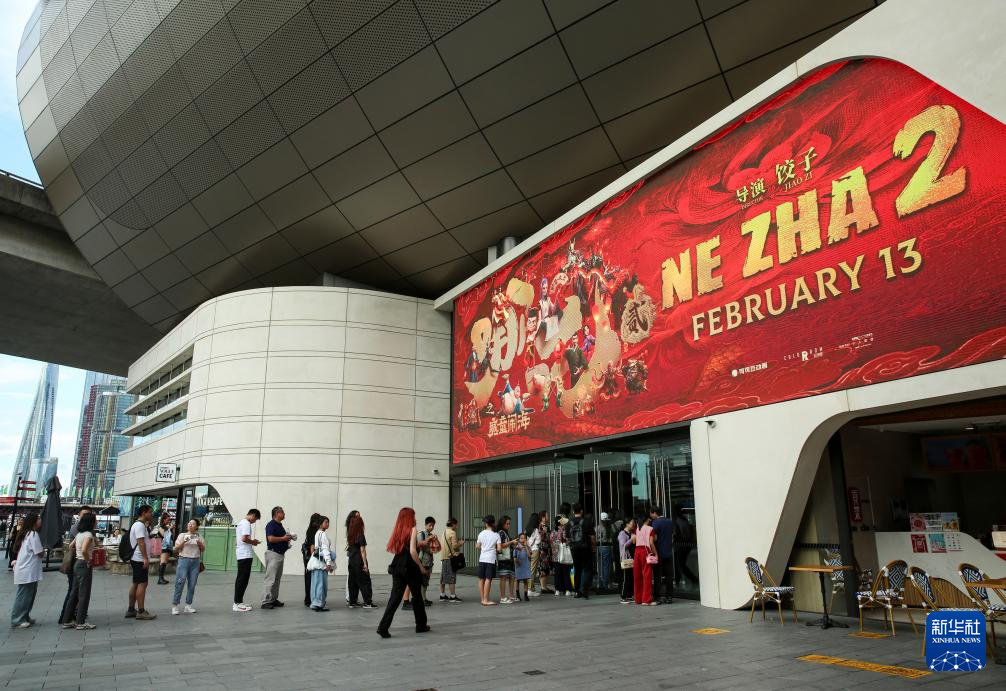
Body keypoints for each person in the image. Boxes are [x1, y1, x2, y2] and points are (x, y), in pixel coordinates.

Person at [377, 507, 430, 638]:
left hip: (397, 565)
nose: (415, 518)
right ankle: (421, 625)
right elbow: (412, 551)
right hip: (410, 567)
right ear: (410, 517)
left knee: (394, 598)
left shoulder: (398, 530)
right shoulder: (413, 529)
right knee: (417, 596)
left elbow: (401, 548)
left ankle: (383, 627)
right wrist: (420, 566)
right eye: (414, 515)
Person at [60, 512, 98, 629]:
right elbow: (85, 549)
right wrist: (88, 560)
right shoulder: (88, 535)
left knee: (74, 593)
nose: (96, 522)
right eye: (95, 520)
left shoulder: (79, 534)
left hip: (77, 564)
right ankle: (80, 622)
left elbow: (71, 546)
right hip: (84, 565)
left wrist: (79, 554)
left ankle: (67, 620)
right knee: (84, 594)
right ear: (91, 522)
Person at [10, 512, 42, 628]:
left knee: (28, 595)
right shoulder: (33, 534)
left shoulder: (27, 533)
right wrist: (43, 551)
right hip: (28, 570)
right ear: (34, 521)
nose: (40, 521)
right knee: (24, 595)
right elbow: (39, 552)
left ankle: (24, 616)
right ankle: (17, 619)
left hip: (27, 569)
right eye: (39, 519)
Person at [126, 505, 157, 620]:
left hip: (137, 558)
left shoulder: (140, 525)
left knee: (136, 583)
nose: (151, 514)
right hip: (139, 558)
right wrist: (145, 558)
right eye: (150, 512)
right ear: (144, 513)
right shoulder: (139, 525)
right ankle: (141, 611)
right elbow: (141, 542)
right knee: (142, 584)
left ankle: (131, 609)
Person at [262, 506, 295, 609]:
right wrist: (283, 538)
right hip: (273, 554)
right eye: (282, 512)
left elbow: (281, 538)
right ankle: (265, 601)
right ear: (277, 514)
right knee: (270, 579)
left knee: (277, 579)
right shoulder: (271, 524)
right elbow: (270, 539)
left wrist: (288, 538)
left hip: (279, 554)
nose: (284, 514)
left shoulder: (280, 525)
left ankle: (273, 599)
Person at [171, 519, 205, 615]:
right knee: (180, 582)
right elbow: (176, 549)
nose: (190, 525)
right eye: (189, 523)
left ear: (196, 526)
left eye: (192, 524)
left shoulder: (199, 536)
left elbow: (203, 549)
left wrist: (200, 544)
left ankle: (188, 605)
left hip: (195, 561)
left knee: (192, 584)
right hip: (183, 560)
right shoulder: (182, 535)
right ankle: (175, 605)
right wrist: (184, 541)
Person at [404, 516, 438, 610]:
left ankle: (424, 598)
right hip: (421, 561)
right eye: (430, 525)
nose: (431, 527)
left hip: (429, 561)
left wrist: (435, 541)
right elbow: (418, 545)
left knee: (425, 582)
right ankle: (414, 600)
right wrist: (428, 540)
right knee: (418, 581)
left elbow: (436, 549)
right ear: (425, 525)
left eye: (433, 526)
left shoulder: (431, 535)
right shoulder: (421, 534)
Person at [233, 508, 261, 612]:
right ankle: (237, 603)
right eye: (255, 519)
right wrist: (253, 542)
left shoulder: (241, 522)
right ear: (252, 515)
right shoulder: (246, 524)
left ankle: (239, 601)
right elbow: (244, 539)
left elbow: (237, 540)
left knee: (241, 578)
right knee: (242, 579)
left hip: (242, 554)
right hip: (245, 555)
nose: (254, 521)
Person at [346, 513, 375, 608]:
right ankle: (368, 602)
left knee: (353, 581)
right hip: (359, 560)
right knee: (365, 581)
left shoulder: (350, 534)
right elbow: (362, 550)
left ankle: (352, 602)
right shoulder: (360, 535)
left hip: (351, 560)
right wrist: (365, 564)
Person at [568, 503, 596, 599]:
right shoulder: (587, 522)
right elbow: (592, 537)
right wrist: (593, 547)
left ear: (573, 511)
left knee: (577, 569)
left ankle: (577, 591)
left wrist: (572, 547)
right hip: (585, 548)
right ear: (581, 511)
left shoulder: (569, 523)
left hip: (574, 550)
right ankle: (585, 590)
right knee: (587, 569)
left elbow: (567, 538)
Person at [649, 506, 674, 604]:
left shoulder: (655, 523)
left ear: (654, 513)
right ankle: (669, 596)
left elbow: (653, 538)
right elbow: (672, 535)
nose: (651, 516)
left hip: (658, 552)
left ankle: (657, 597)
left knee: (657, 576)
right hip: (668, 552)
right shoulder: (670, 521)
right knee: (669, 576)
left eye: (651, 513)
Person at [309, 516, 335, 611]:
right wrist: (328, 562)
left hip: (316, 561)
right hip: (321, 562)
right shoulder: (323, 534)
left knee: (315, 583)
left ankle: (315, 603)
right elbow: (325, 549)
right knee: (321, 583)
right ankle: (319, 604)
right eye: (325, 522)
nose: (327, 524)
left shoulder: (317, 533)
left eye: (328, 522)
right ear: (320, 524)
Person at [476, 515, 501, 606]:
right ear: (493, 523)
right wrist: (493, 549)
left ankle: (483, 599)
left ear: (486, 524)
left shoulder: (481, 533)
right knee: (488, 579)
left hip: (482, 559)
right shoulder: (496, 535)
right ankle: (486, 600)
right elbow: (499, 549)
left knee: (481, 579)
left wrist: (484, 548)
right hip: (491, 559)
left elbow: (477, 546)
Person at [439, 517, 464, 602]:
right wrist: (460, 543)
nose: (457, 526)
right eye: (456, 524)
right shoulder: (452, 533)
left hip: (443, 557)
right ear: (453, 524)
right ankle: (453, 596)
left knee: (443, 577)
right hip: (450, 558)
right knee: (451, 577)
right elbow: (454, 546)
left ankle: (442, 595)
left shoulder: (444, 532)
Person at [551, 503, 573, 596]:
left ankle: (558, 590)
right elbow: (567, 540)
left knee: (557, 573)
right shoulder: (564, 529)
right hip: (563, 554)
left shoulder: (553, 532)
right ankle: (567, 589)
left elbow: (551, 542)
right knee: (566, 572)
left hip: (555, 555)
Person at [673, 506, 699, 585]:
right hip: (687, 545)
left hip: (681, 545)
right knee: (680, 563)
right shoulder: (684, 520)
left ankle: (691, 579)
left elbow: (678, 534)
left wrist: (674, 539)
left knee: (679, 563)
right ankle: (681, 579)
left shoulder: (677, 521)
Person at [529, 511, 553, 595]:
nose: (548, 517)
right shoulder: (542, 526)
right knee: (543, 567)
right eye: (546, 515)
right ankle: (543, 587)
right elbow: (543, 537)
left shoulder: (541, 526)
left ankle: (544, 586)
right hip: (543, 549)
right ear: (543, 517)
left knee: (545, 567)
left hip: (545, 549)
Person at [633, 516, 656, 606]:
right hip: (645, 551)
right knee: (647, 575)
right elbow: (651, 542)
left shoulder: (637, 528)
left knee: (637, 575)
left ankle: (638, 599)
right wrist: (655, 553)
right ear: (647, 520)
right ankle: (646, 600)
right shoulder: (650, 529)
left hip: (637, 551)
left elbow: (634, 541)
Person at [496, 515, 518, 604]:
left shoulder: (505, 532)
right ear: (503, 524)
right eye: (507, 524)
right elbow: (501, 545)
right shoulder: (501, 533)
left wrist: (514, 544)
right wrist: (512, 542)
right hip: (504, 558)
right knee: (503, 577)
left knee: (512, 576)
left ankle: (511, 596)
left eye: (509, 524)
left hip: (509, 558)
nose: (509, 525)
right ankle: (502, 597)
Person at [302, 513, 321, 607]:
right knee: (310, 578)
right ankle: (309, 599)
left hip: (308, 558)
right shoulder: (313, 531)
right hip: (310, 558)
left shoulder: (311, 530)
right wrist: (314, 558)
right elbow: (312, 547)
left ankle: (309, 598)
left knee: (309, 577)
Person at [618, 518, 636, 604]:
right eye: (632, 523)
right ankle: (623, 596)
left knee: (630, 577)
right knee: (625, 578)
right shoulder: (622, 533)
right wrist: (631, 539)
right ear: (627, 524)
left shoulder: (631, 533)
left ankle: (629, 595)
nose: (633, 524)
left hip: (631, 558)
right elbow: (623, 545)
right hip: (625, 558)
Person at [596, 511, 615, 591]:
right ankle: (605, 584)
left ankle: (600, 583)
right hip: (607, 547)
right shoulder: (609, 528)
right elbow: (613, 536)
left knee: (600, 566)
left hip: (598, 547)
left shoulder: (597, 528)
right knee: (606, 566)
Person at [514, 533, 532, 601]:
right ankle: (517, 594)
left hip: (525, 565)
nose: (523, 539)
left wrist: (526, 546)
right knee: (517, 580)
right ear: (519, 539)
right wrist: (516, 561)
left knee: (525, 580)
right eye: (521, 538)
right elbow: (514, 557)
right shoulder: (517, 547)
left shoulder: (528, 547)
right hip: (518, 565)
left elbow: (529, 556)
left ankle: (525, 594)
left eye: (524, 538)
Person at [157, 513, 173, 584]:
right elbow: (165, 536)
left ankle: (162, 578)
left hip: (168, 546)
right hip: (164, 546)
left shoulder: (167, 527)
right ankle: (160, 579)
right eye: (168, 520)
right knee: (163, 562)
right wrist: (170, 529)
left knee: (164, 562)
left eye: (169, 520)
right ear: (163, 520)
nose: (169, 521)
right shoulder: (161, 527)